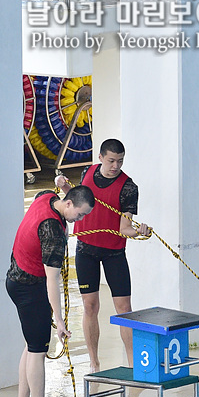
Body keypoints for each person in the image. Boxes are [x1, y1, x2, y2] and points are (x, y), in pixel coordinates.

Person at [55, 139, 152, 373]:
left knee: (124, 308)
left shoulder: (129, 187)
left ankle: (132, 363)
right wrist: (64, 187)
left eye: (120, 161)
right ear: (100, 158)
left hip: (114, 253)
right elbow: (76, 202)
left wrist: (139, 231)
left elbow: (124, 228)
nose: (115, 166)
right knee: (90, 306)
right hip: (86, 250)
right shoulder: (87, 172)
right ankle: (94, 362)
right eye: (111, 161)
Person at [7, 185, 95, 397]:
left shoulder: (46, 196)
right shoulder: (54, 232)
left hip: (15, 280)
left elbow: (48, 191)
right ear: (68, 204)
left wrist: (61, 181)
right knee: (38, 350)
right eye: (79, 215)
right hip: (30, 287)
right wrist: (60, 320)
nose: (79, 221)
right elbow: (52, 280)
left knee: (31, 345)